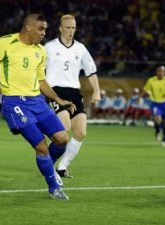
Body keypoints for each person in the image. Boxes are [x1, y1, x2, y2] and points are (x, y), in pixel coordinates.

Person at [0, 14, 76, 200]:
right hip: (15, 103)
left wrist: (58, 99)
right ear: (28, 27)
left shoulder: (40, 51)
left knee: (63, 139)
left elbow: (41, 80)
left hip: (38, 102)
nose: (44, 33)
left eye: (46, 29)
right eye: (41, 29)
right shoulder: (5, 43)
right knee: (41, 147)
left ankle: (48, 166)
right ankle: (54, 187)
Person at [44, 14, 100, 178]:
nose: (70, 31)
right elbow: (39, 71)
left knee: (81, 132)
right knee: (64, 128)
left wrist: (96, 90)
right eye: (67, 27)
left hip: (74, 93)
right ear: (60, 28)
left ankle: (61, 167)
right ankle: (46, 160)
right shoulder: (49, 47)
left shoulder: (80, 49)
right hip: (55, 92)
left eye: (73, 28)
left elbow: (91, 71)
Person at [140, 65, 165, 147]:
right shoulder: (151, 80)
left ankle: (164, 140)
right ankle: (157, 130)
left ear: (164, 72)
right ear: (156, 72)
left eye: (162, 71)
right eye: (159, 71)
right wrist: (140, 97)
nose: (160, 73)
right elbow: (145, 89)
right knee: (157, 119)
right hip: (155, 103)